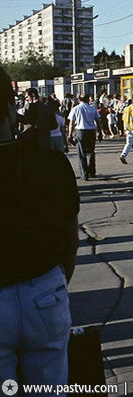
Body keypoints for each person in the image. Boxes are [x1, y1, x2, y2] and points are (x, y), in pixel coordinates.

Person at [0, 66, 79, 392]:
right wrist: (54, 281)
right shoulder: (49, 162)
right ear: (10, 108)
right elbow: (70, 238)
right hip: (44, 292)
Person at [67, 94, 101, 180]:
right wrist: (100, 131)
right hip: (91, 131)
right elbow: (98, 120)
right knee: (91, 152)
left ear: (79, 100)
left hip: (80, 131)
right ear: (87, 100)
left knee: (82, 153)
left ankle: (84, 173)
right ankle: (92, 171)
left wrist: (70, 134)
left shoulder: (75, 109)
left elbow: (71, 123)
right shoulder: (92, 108)